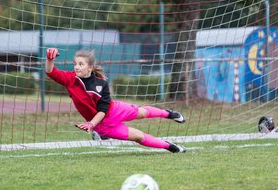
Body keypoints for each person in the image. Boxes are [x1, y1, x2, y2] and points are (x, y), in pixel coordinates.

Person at [45, 48, 187, 153]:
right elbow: (51, 72)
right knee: (138, 136)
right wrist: (49, 58)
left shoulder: (102, 84)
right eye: (75, 63)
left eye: (81, 64)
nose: (76, 67)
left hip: (114, 110)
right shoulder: (70, 80)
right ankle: (169, 146)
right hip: (103, 125)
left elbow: (103, 109)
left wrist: (90, 124)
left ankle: (169, 114)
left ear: (90, 67)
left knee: (142, 113)